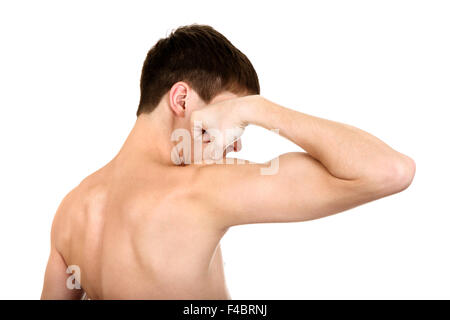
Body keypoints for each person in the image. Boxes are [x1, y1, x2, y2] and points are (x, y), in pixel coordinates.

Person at [41, 24, 415, 299]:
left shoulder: (71, 209)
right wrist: (258, 109)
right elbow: (390, 171)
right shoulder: (200, 188)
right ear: (182, 100)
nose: (235, 143)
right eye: (230, 116)